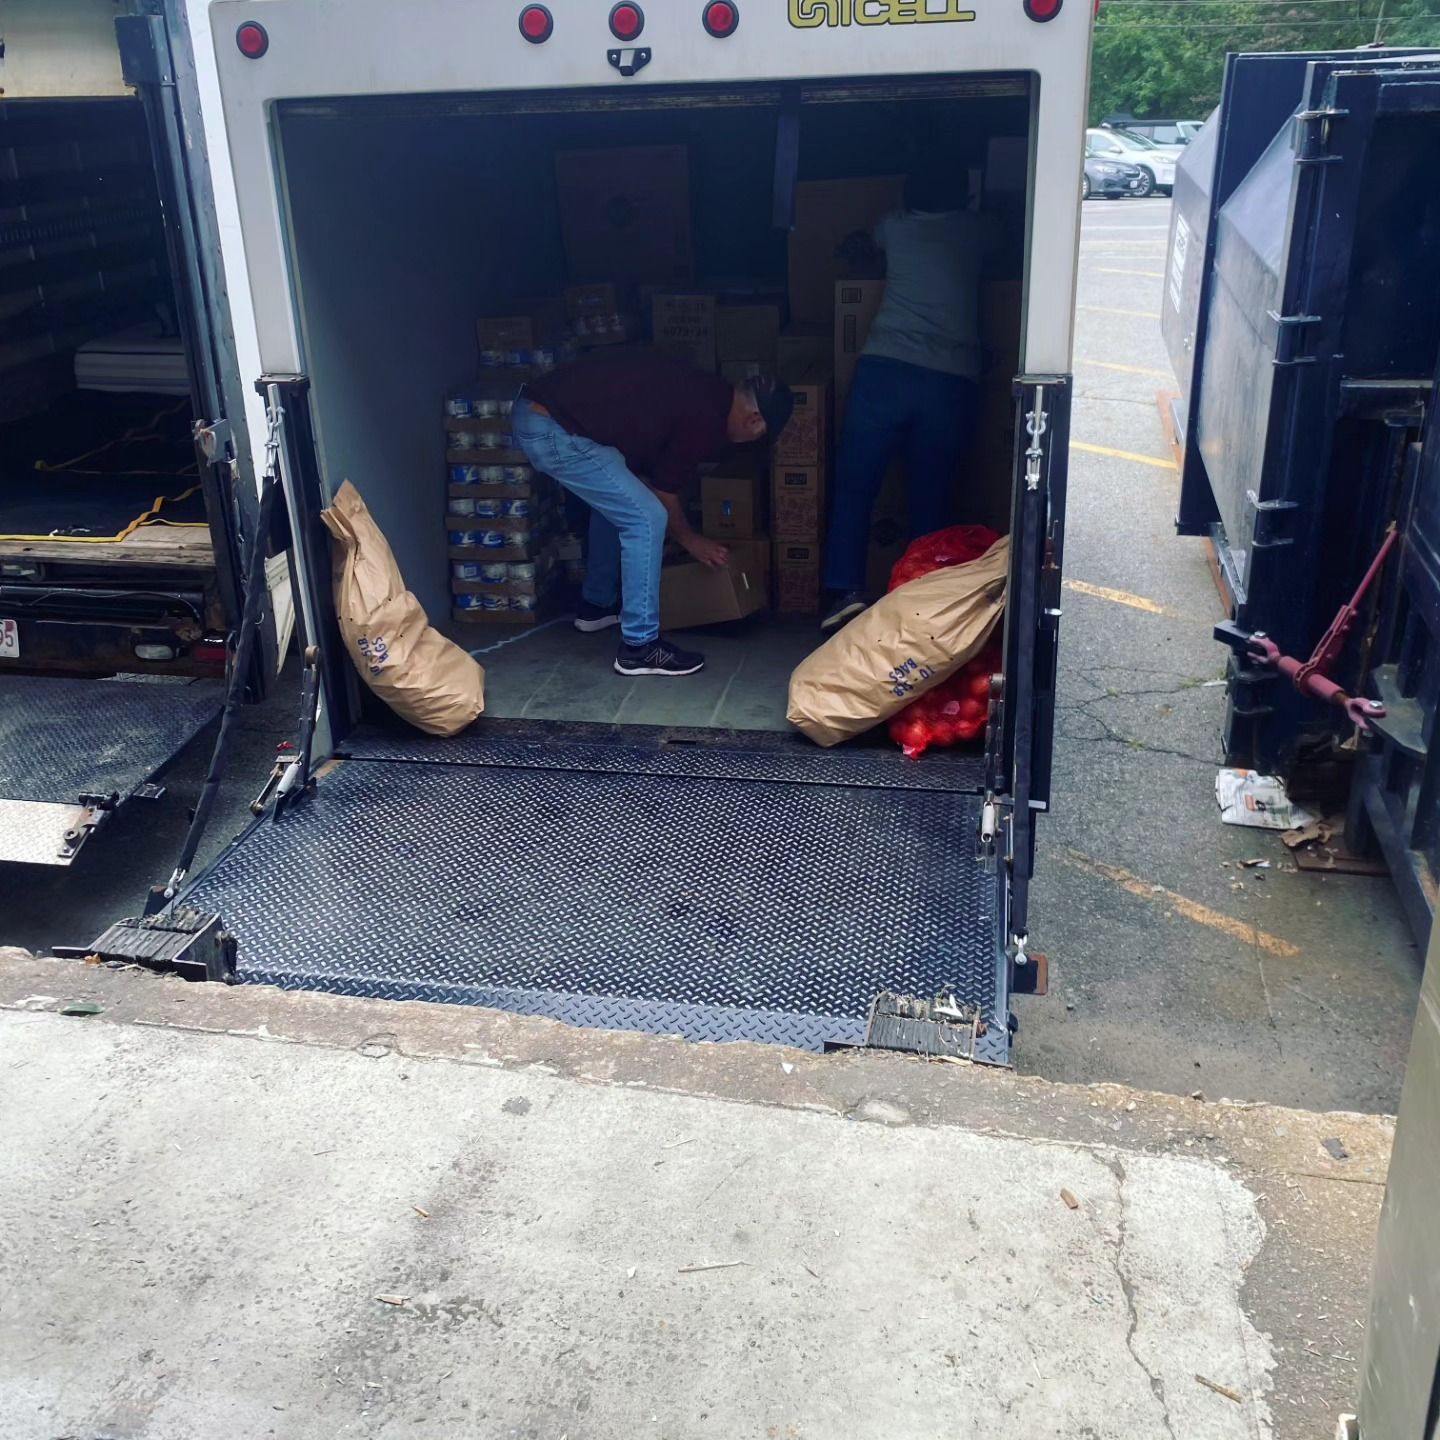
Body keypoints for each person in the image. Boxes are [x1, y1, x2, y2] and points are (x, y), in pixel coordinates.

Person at [512, 350, 793, 677]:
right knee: (646, 518)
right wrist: (691, 541)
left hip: (543, 414)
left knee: (623, 500)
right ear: (755, 423)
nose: (750, 441)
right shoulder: (705, 416)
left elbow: (650, 473)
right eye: (757, 437)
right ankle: (639, 647)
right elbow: (663, 494)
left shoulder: (707, 392)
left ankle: (597, 605)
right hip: (550, 426)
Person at [820, 160, 1003, 632]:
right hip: (950, 379)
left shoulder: (894, 228)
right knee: (931, 498)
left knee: (856, 484)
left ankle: (843, 591)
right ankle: (919, 603)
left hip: (885, 370)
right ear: (963, 195)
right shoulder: (977, 230)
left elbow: (864, 243)